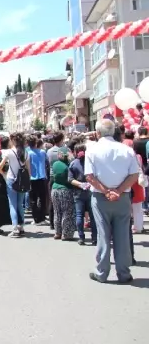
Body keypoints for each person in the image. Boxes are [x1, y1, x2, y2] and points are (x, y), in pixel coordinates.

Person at [85, 119, 137, 284]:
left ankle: (102, 272)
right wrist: (118, 191)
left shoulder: (92, 150)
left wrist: (107, 191)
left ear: (97, 133)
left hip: (101, 197)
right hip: (122, 197)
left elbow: (90, 177)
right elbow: (134, 175)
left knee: (103, 234)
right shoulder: (126, 150)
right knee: (122, 234)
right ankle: (124, 272)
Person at [0, 132, 30, 238]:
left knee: (12, 205)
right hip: (22, 181)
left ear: (13, 140)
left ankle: (15, 228)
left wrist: (4, 174)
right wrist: (28, 180)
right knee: (20, 204)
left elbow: (0, 166)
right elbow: (28, 169)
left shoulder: (9, 152)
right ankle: (21, 227)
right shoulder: (25, 152)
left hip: (11, 180)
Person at [68, 143, 97, 246]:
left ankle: (81, 237)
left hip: (78, 191)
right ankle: (94, 238)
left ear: (75, 152)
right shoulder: (91, 162)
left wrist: (81, 184)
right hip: (91, 190)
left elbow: (70, 179)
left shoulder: (73, 163)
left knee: (79, 215)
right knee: (93, 216)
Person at [50, 148, 76, 241]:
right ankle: (66, 234)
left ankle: (58, 232)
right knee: (67, 212)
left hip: (55, 189)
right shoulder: (69, 166)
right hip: (66, 190)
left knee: (57, 212)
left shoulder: (55, 164)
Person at [26, 135, 49, 226]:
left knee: (33, 199)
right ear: (36, 143)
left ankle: (36, 218)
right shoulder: (43, 152)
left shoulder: (27, 153)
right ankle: (42, 217)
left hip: (32, 178)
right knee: (43, 198)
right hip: (42, 177)